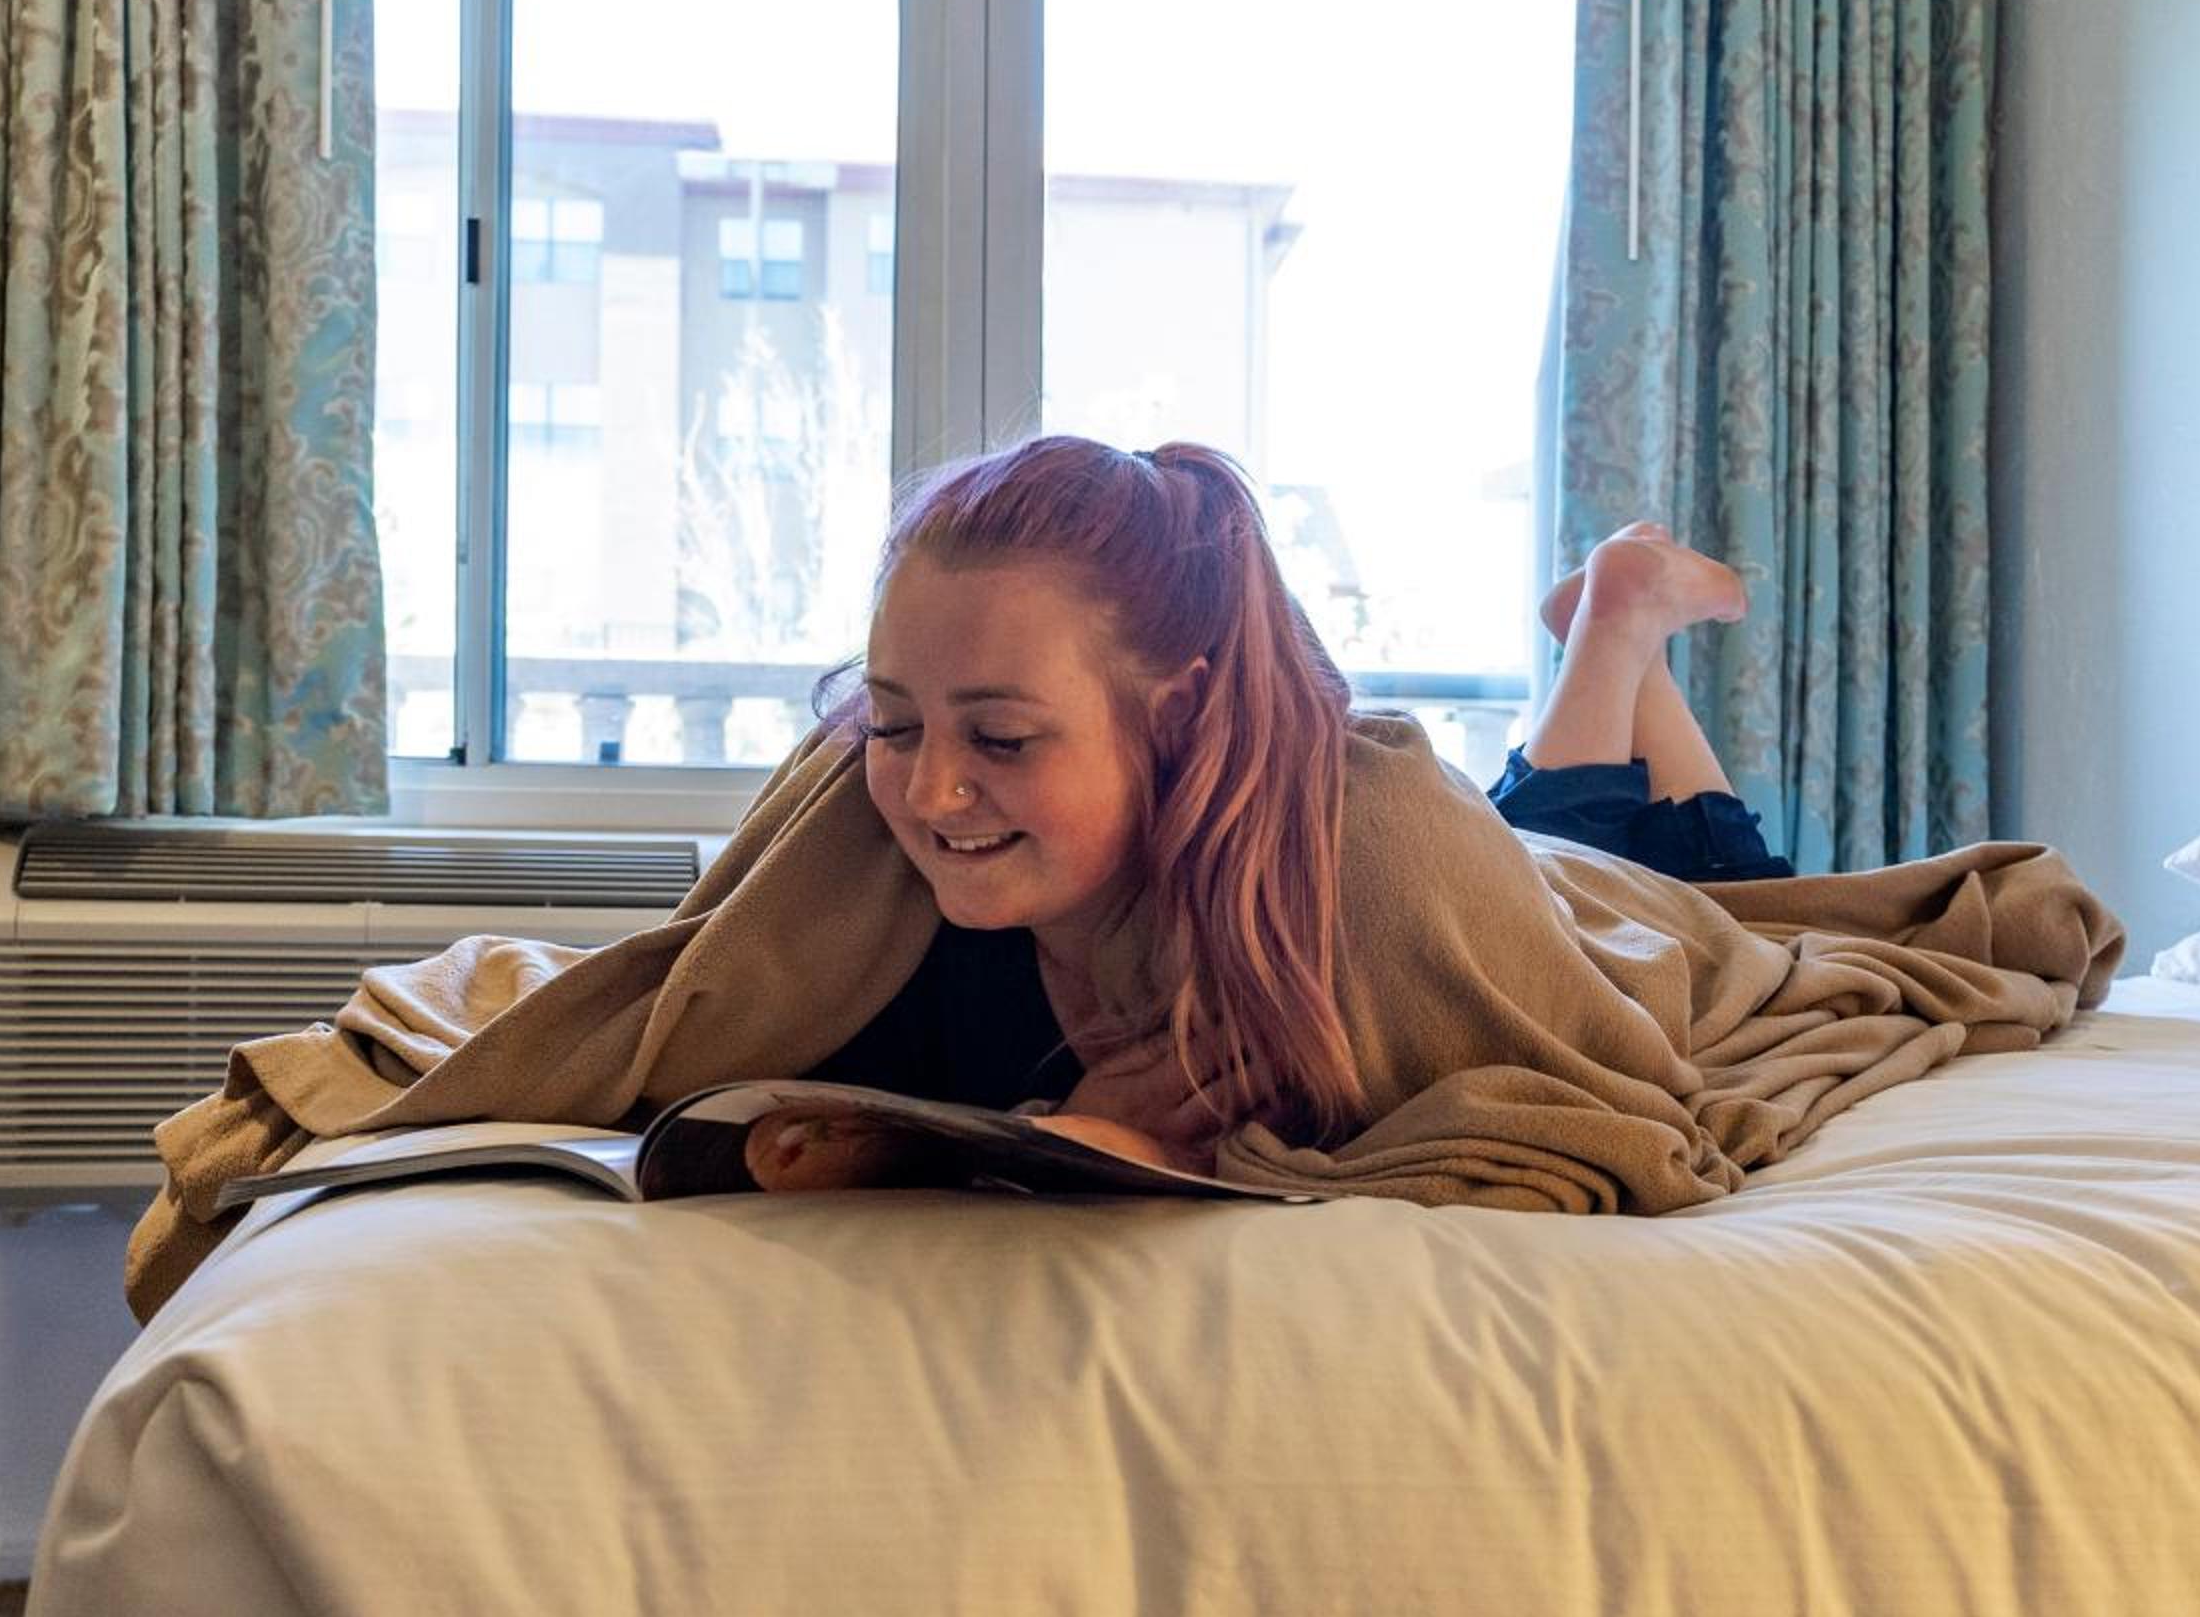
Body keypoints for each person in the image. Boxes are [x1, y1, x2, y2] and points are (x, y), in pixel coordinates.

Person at [743, 436, 1794, 1195]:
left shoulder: (1372, 851)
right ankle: (1622, 628)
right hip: (1513, 856)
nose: (931, 791)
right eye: (893, 723)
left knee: (1724, 890)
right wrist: (1043, 1132)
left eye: (1003, 738)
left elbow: (1611, 1108)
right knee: (1548, 829)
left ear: (1177, 712)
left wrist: (1107, 1144)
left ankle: (1619, 623)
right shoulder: (868, 859)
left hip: (1565, 906)